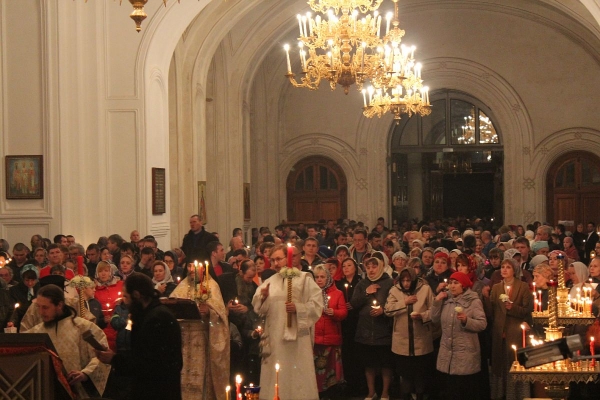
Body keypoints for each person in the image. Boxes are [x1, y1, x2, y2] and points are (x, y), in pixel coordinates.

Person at [252, 244, 323, 400]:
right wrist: (262, 297)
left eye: (279, 259)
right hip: (275, 338)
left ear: (289, 258)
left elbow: (317, 305)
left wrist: (298, 308)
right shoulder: (270, 281)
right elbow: (258, 307)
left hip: (297, 340)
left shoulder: (304, 279)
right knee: (275, 373)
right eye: (272, 260)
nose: (275, 263)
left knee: (297, 374)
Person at [95, 273, 182, 400]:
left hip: (158, 392)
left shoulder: (158, 318)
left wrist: (115, 359)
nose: (124, 301)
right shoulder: (145, 315)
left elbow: (150, 364)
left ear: (136, 295)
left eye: (126, 296)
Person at [27, 284, 111, 398]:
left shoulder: (83, 327)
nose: (41, 312)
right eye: (39, 307)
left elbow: (102, 355)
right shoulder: (37, 333)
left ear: (60, 305)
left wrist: (86, 373)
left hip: (77, 391)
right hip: (47, 392)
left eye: (45, 307)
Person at [170, 262, 229, 399]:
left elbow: (222, 317)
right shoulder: (182, 286)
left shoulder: (212, 286)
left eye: (195, 266)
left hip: (202, 340)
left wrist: (210, 312)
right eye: (189, 266)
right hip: (183, 342)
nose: (192, 269)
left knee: (200, 376)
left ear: (204, 267)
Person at [431, 271, 487, 400]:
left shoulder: (473, 301)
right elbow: (434, 319)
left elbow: (482, 324)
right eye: (450, 283)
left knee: (463, 393)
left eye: (456, 283)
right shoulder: (446, 299)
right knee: (449, 392)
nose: (452, 286)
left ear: (464, 285)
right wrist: (437, 301)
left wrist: (467, 320)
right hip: (447, 355)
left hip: (465, 356)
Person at [483, 258, 533, 400]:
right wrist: (486, 298)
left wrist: (513, 308)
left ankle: (516, 394)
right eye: (503, 267)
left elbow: (528, 310)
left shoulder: (522, 286)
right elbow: (491, 311)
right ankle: (501, 394)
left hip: (515, 331)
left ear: (514, 270)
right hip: (499, 332)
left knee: (514, 361)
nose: (504, 270)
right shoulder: (497, 288)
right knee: (500, 364)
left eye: (508, 267)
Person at [385, 266, 434, 400]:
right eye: (403, 280)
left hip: (421, 341)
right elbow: (388, 310)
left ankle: (419, 396)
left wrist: (422, 316)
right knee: (405, 375)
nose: (406, 283)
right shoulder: (395, 290)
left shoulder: (425, 289)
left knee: (420, 374)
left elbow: (434, 311)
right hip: (402, 343)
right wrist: (404, 302)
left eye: (409, 280)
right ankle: (405, 396)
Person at [350, 257, 394, 400]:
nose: (371, 270)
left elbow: (394, 303)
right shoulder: (362, 284)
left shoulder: (389, 283)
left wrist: (383, 310)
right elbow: (354, 303)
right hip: (365, 331)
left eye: (374, 266)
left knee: (385, 364)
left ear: (381, 267)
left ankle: (385, 393)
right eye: (368, 267)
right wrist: (366, 293)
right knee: (369, 364)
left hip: (383, 331)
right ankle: (371, 392)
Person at [313, 265, 347, 399]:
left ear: (328, 278)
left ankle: (331, 394)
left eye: (322, 277)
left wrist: (334, 313)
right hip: (315, 338)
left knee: (331, 369)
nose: (319, 280)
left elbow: (343, 312)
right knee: (316, 370)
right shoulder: (311, 293)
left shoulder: (337, 293)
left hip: (331, 337)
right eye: (317, 277)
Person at [335, 257, 364, 396]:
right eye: (344, 266)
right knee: (347, 354)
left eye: (349, 265)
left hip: (358, 321)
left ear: (355, 267)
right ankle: (348, 384)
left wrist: (353, 304)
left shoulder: (361, 282)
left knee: (359, 354)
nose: (346, 268)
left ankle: (360, 385)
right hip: (345, 324)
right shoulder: (339, 284)